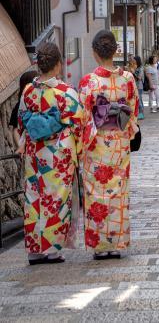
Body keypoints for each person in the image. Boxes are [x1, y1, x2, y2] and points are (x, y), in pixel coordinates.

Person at [18, 43, 83, 265]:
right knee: (56, 199)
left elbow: (21, 123)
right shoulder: (66, 92)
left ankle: (35, 250)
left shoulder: (28, 91)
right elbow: (77, 125)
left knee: (34, 199)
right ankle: (52, 249)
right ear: (58, 65)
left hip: (35, 154)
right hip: (58, 155)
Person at [78, 30, 138, 260]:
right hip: (119, 143)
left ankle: (100, 246)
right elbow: (131, 112)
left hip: (96, 144)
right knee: (118, 192)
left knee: (96, 193)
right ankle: (116, 242)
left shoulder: (88, 82)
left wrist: (80, 144)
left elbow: (84, 117)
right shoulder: (128, 79)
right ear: (116, 51)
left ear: (94, 53)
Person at [9, 69, 38, 148]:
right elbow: (16, 129)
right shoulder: (19, 106)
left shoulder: (43, 101)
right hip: (28, 146)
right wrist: (21, 147)